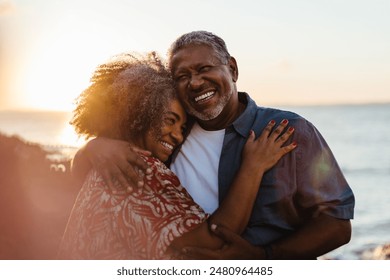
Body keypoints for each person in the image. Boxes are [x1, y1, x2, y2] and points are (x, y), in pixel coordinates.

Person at [72, 31, 355, 259]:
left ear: (232, 68)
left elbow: (337, 226)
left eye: (204, 68)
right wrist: (94, 146)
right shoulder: (166, 137)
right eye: (182, 76)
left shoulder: (288, 131)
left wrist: (264, 256)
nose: (195, 82)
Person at [58, 51, 296, 259]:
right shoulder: (142, 169)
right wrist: (253, 167)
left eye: (183, 128)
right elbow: (212, 243)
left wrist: (92, 146)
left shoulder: (106, 163)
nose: (178, 136)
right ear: (139, 114)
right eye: (170, 121)